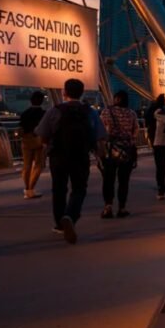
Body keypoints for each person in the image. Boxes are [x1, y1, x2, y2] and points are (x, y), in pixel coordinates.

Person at [35, 79, 107, 244]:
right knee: (79, 189)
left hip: (58, 156)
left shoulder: (54, 111)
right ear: (82, 93)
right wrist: (100, 156)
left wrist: (45, 151)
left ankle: (59, 224)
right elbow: (100, 137)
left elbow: (42, 136)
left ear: (64, 92)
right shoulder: (90, 112)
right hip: (81, 156)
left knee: (58, 189)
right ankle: (70, 216)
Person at [100, 90, 139, 219]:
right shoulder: (131, 113)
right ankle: (122, 208)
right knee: (124, 180)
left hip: (111, 150)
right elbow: (135, 131)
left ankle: (108, 207)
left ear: (116, 99)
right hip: (126, 150)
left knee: (108, 179)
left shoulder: (106, 112)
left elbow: (102, 130)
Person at [19, 91, 47, 199]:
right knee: (38, 165)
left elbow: (21, 128)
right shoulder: (43, 114)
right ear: (42, 101)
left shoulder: (25, 113)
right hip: (39, 140)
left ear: (30, 101)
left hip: (26, 140)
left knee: (27, 165)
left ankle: (27, 188)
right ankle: (31, 188)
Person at [148, 95, 165, 199]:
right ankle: (162, 186)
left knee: (159, 166)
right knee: (163, 165)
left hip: (156, 142)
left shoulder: (152, 112)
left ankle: (161, 187)